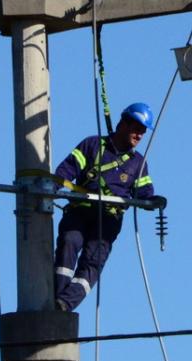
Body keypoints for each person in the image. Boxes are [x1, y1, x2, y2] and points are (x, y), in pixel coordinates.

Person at [53, 103, 159, 312]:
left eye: (143, 131)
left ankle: (64, 304)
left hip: (108, 220)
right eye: (136, 128)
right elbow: (66, 170)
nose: (139, 135)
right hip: (80, 211)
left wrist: (154, 201)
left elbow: (144, 192)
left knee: (93, 260)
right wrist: (51, 187)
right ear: (123, 123)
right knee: (69, 242)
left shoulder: (138, 163)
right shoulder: (92, 146)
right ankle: (55, 297)